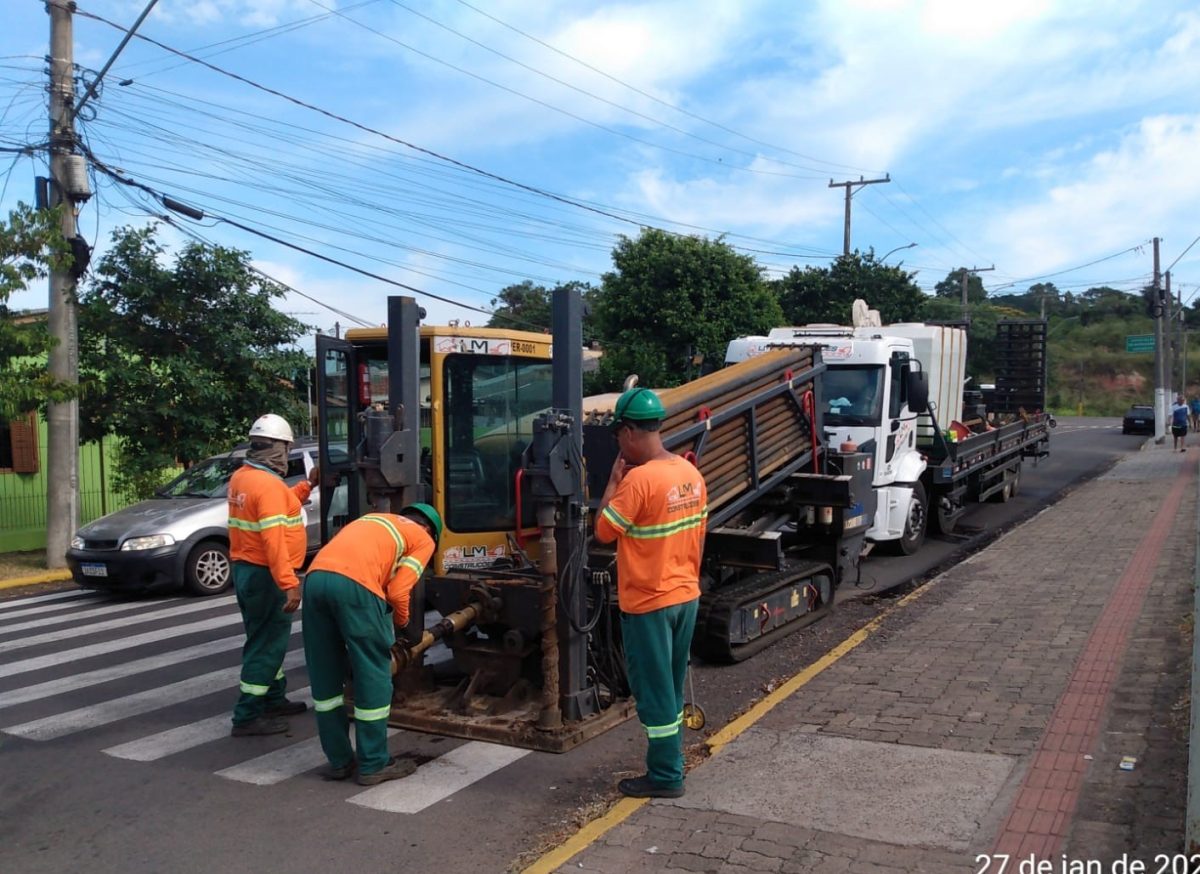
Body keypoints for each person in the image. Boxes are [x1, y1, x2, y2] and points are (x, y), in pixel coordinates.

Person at [594, 387, 708, 799]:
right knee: (672, 685)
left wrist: (611, 482)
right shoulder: (689, 474)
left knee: (655, 690)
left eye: (617, 436)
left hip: (649, 602)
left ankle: (665, 776)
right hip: (685, 596)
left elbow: (604, 532)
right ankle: (670, 763)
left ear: (627, 432)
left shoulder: (639, 480)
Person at [302, 504, 441, 785]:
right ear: (429, 529)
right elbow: (399, 590)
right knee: (374, 674)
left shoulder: (373, 519)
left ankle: (340, 761)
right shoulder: (422, 538)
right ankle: (373, 763)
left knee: (325, 673)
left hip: (314, 580)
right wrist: (404, 626)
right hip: (356, 586)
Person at [227, 413, 317, 736]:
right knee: (267, 643)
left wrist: (310, 484)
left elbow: (284, 504)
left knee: (264, 638)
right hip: (267, 575)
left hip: (246, 571)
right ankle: (247, 715)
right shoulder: (267, 486)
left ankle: (273, 697)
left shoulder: (245, 476)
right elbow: (274, 541)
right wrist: (290, 584)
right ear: (278, 448)